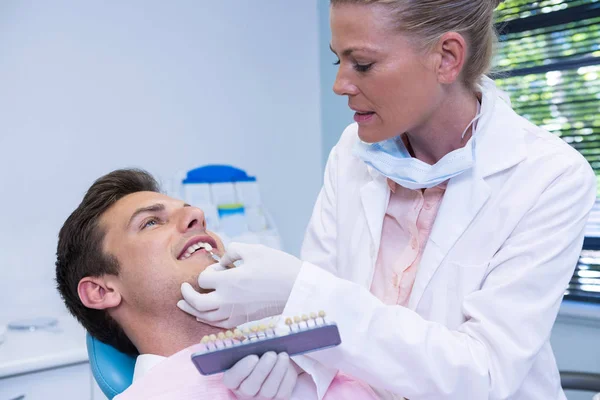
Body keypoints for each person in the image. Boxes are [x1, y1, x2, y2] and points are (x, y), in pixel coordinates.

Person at [179, 0, 598, 399]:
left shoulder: (550, 176)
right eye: (337, 60)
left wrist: (299, 290)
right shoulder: (351, 153)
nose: (340, 84)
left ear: (447, 57)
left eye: (362, 64)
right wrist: (289, 360)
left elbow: (483, 373)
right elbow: (318, 323)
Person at [55, 169, 377, 399]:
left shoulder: (311, 355)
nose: (197, 215)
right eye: (151, 222)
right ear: (102, 291)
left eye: (189, 210)